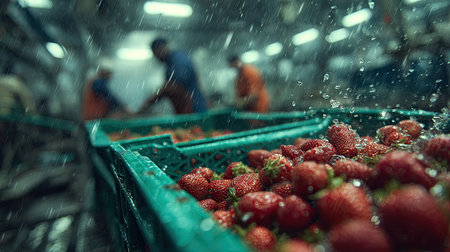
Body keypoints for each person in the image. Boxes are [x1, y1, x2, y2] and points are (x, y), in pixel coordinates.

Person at [139, 38, 208, 114]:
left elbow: (173, 86)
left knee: (195, 126)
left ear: (162, 48)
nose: (156, 57)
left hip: (193, 109)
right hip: (189, 109)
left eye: (155, 53)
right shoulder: (171, 62)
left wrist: (148, 103)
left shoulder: (178, 60)